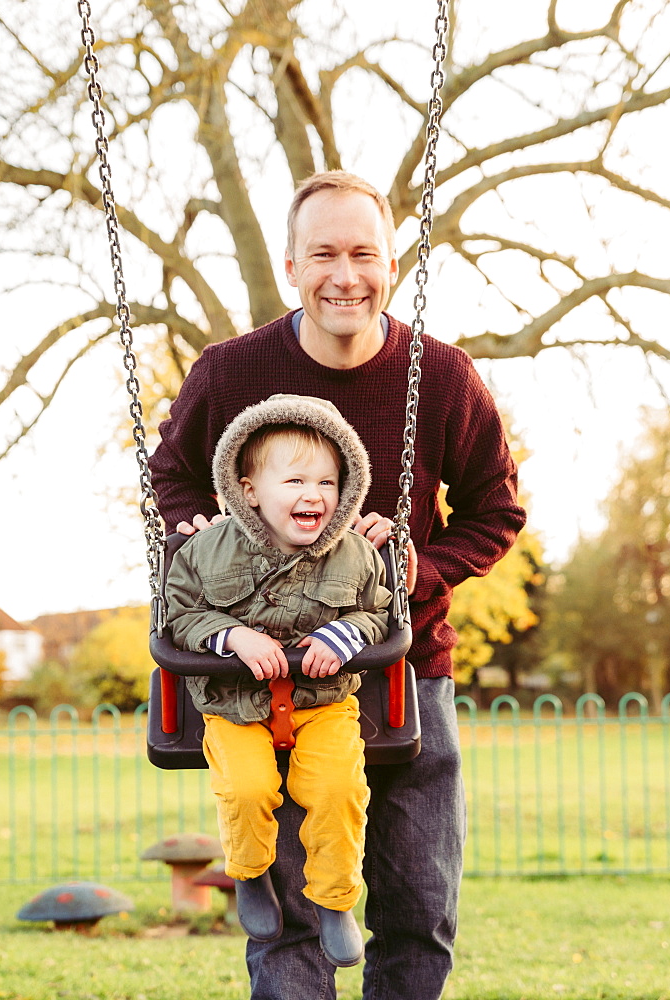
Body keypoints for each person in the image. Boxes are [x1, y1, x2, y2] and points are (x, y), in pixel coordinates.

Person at [149, 170, 527, 1000]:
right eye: (324, 253)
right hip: (263, 679)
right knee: (288, 920)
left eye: (364, 253)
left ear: (392, 264)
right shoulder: (229, 371)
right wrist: (202, 543)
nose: (345, 274)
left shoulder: (445, 377)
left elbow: (497, 511)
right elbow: (170, 478)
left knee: (419, 908)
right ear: (291, 264)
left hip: (404, 669)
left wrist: (411, 575)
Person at [165, 393, 393, 967]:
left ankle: (335, 900)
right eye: (294, 481)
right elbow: (180, 615)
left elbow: (379, 612)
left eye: (327, 482)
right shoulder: (204, 551)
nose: (313, 495)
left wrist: (348, 637)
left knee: (339, 794)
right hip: (236, 705)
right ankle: (247, 874)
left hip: (325, 704)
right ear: (249, 491)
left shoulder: (358, 556)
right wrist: (233, 637)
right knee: (246, 790)